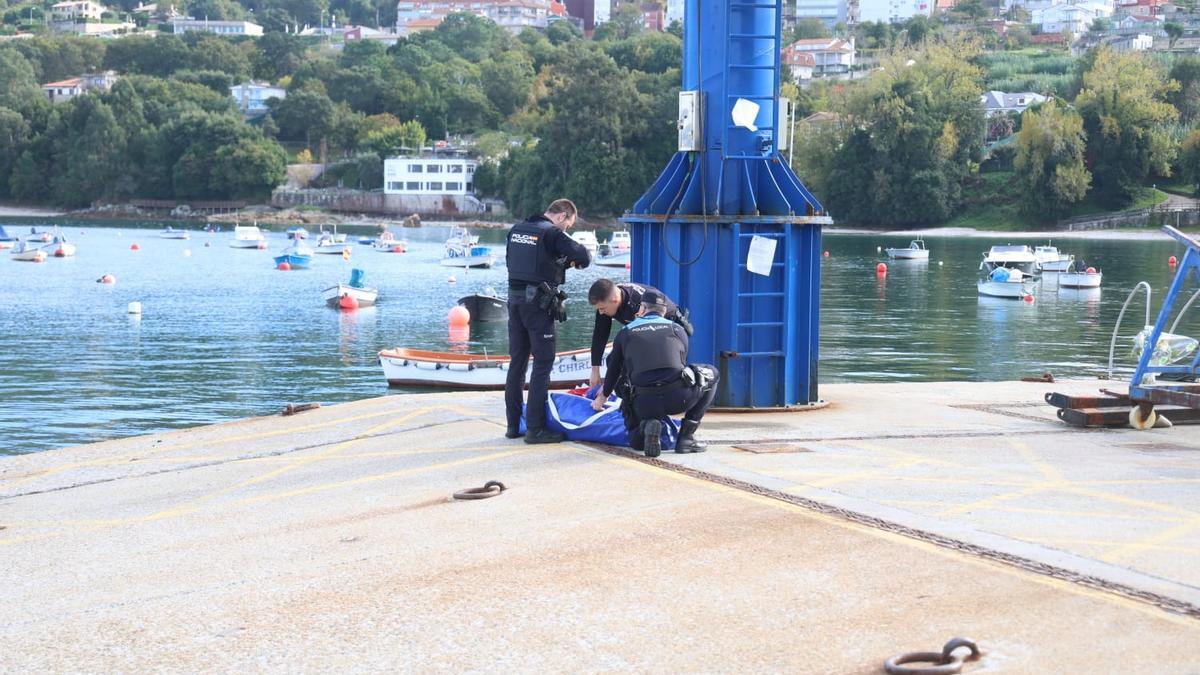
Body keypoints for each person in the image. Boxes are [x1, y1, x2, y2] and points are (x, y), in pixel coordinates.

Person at [591, 289, 718, 457]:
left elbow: (614, 369)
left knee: (637, 443)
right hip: (678, 400)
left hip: (643, 403)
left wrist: (603, 396)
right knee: (712, 372)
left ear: (642, 309)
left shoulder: (625, 332)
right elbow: (680, 364)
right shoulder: (678, 330)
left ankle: (644, 426)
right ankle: (686, 438)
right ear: (664, 311)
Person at [505, 199, 591, 443]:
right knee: (543, 363)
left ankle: (513, 426)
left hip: (514, 302)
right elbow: (583, 255)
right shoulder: (551, 233)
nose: (566, 231)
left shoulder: (517, 230)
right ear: (562, 216)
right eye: (568, 226)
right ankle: (535, 429)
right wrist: (570, 260)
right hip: (538, 306)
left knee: (518, 364)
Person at [586, 279, 692, 389]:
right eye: (598, 309)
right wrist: (595, 371)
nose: (601, 312)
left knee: (636, 363)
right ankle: (627, 396)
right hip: (644, 325)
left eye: (602, 309)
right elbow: (600, 335)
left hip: (670, 326)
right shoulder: (608, 299)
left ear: (614, 300)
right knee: (613, 360)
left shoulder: (637, 305)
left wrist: (606, 388)